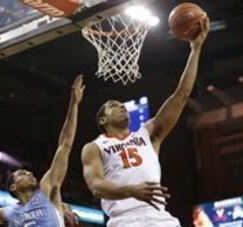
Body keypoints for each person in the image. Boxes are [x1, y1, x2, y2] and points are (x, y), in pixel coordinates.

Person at [81, 18, 210, 227]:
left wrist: (195, 49)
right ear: (102, 120)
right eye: (114, 105)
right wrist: (131, 190)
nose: (122, 106)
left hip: (160, 216)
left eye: (122, 104)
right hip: (125, 220)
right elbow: (96, 186)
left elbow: (181, 95)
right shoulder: (94, 147)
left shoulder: (147, 134)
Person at [0, 75, 85, 227]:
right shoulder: (7, 213)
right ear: (13, 186)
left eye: (28, 172)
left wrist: (74, 104)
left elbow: (65, 145)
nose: (29, 173)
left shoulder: (47, 189)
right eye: (23, 173)